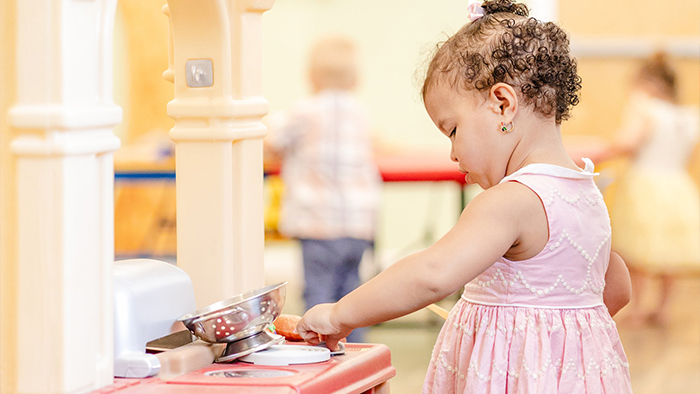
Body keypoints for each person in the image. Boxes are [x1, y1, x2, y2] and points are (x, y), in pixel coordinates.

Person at [297, 1, 633, 392]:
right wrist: (556, 341)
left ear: (502, 104)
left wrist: (340, 315)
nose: (452, 154)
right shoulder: (587, 194)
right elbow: (617, 285)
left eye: (453, 130)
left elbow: (432, 274)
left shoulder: (511, 201)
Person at [265, 36, 382, 343]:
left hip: (318, 225)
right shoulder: (361, 112)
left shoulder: (305, 111)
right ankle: (356, 358)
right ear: (356, 79)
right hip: (358, 225)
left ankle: (321, 355)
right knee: (353, 297)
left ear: (311, 77)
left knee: (319, 295)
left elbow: (272, 141)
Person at [600, 51, 700, 327]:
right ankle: (663, 308)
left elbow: (630, 142)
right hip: (678, 184)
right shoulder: (688, 116)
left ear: (648, 83)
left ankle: (637, 308)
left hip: (645, 182)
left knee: (639, 249)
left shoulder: (645, 108)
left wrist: (608, 147)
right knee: (671, 249)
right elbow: (689, 158)